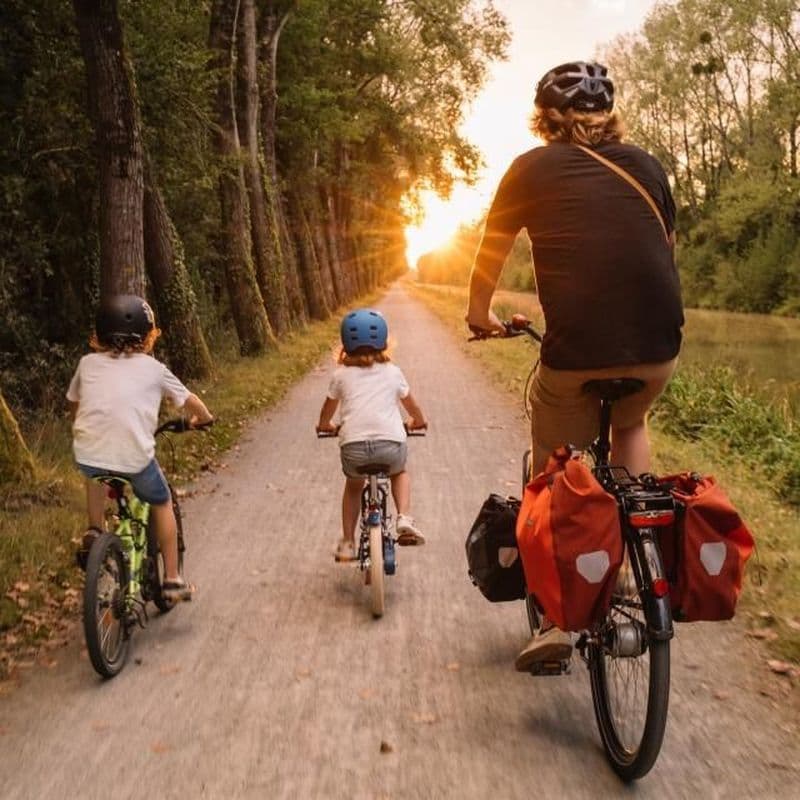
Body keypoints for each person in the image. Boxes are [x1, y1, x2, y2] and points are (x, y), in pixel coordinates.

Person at [466, 61, 684, 670]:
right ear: (609, 115)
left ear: (545, 118)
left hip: (576, 351)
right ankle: (636, 549)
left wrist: (477, 315)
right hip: (660, 344)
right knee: (631, 425)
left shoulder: (530, 168)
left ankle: (558, 612)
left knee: (554, 464)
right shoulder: (646, 166)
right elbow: (664, 251)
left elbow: (492, 251)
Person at [67, 294, 213, 602]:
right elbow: (191, 402)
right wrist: (204, 418)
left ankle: (94, 530)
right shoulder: (154, 369)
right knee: (161, 502)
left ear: (100, 333)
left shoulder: (87, 363)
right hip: (135, 458)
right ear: (147, 335)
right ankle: (172, 579)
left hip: (89, 451)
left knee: (93, 470)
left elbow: (74, 403)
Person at [316, 308, 428, 562]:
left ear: (345, 344)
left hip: (353, 449)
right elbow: (412, 406)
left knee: (354, 486)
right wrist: (418, 421)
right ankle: (404, 518)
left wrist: (325, 425)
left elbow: (328, 410)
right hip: (390, 445)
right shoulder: (393, 372)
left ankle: (347, 543)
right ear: (384, 342)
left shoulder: (340, 375)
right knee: (399, 472)